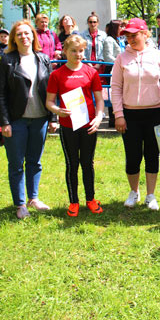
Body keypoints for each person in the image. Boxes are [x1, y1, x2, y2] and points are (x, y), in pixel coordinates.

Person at [0, 20, 55, 220]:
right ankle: (20, 204)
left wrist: (53, 118)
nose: (24, 37)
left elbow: (51, 91)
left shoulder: (43, 59)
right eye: (19, 34)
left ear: (33, 36)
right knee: (16, 163)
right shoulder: (6, 60)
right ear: (14, 38)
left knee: (35, 161)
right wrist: (4, 122)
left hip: (40, 119)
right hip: (16, 120)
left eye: (27, 33)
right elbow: (0, 94)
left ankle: (33, 198)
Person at [112, 18, 160, 211]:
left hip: (154, 113)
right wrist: (118, 114)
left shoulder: (158, 56)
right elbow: (116, 87)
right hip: (130, 114)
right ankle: (134, 192)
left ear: (145, 34)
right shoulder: (121, 58)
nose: (130, 39)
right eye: (127, 36)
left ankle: (150, 195)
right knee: (133, 155)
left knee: (152, 154)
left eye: (134, 35)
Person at [46, 34, 105, 217]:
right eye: (73, 51)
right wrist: (57, 110)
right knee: (72, 164)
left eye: (81, 51)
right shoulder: (57, 74)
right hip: (68, 126)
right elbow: (49, 102)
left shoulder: (91, 72)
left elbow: (99, 99)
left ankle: (91, 199)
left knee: (88, 163)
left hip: (88, 125)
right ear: (65, 51)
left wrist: (99, 117)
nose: (78, 54)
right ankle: (73, 201)